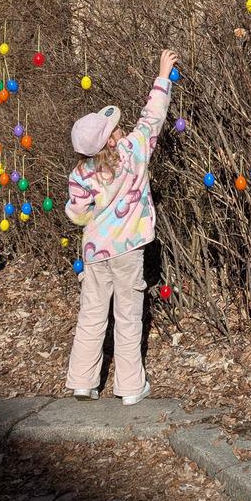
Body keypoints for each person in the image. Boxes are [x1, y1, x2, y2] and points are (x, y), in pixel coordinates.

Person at [65, 49, 177, 405]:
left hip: (96, 252)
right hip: (129, 249)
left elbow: (77, 213)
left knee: (92, 313)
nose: (120, 129)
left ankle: (83, 380)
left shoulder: (80, 174)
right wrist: (162, 76)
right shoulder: (133, 152)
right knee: (128, 315)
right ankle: (130, 387)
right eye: (114, 129)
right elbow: (152, 118)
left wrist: (85, 210)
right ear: (112, 139)